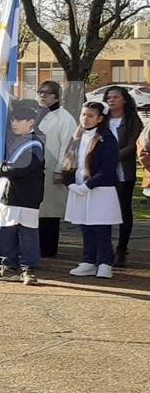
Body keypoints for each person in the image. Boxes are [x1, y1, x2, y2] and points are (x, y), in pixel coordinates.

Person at [0, 105, 45, 286]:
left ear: (31, 122)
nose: (14, 123)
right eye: (12, 120)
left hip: (26, 197)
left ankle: (28, 269)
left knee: (28, 234)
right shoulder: (14, 140)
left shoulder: (35, 143)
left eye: (19, 120)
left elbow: (21, 168)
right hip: (8, 195)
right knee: (6, 232)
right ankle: (8, 265)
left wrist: (0, 169)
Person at [63, 102, 122, 279]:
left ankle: (104, 262)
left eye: (90, 116)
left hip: (100, 189)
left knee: (100, 226)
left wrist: (89, 184)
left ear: (100, 118)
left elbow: (108, 167)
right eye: (83, 115)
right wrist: (70, 182)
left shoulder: (107, 138)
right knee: (85, 225)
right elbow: (69, 160)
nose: (85, 119)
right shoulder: (76, 136)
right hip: (79, 188)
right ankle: (88, 261)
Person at [35, 81, 77, 257]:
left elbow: (68, 146)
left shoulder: (65, 118)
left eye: (46, 93)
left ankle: (48, 249)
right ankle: (38, 246)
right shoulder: (39, 114)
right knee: (38, 209)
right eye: (40, 92)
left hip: (53, 170)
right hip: (37, 170)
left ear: (56, 96)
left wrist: (61, 170)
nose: (42, 96)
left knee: (50, 212)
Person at [103, 85, 143, 267]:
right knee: (103, 210)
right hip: (102, 172)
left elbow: (134, 145)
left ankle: (121, 248)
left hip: (123, 173)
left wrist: (112, 158)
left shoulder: (132, 120)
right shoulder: (102, 119)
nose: (111, 100)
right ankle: (105, 247)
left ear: (124, 100)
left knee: (124, 210)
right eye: (108, 97)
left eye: (115, 97)